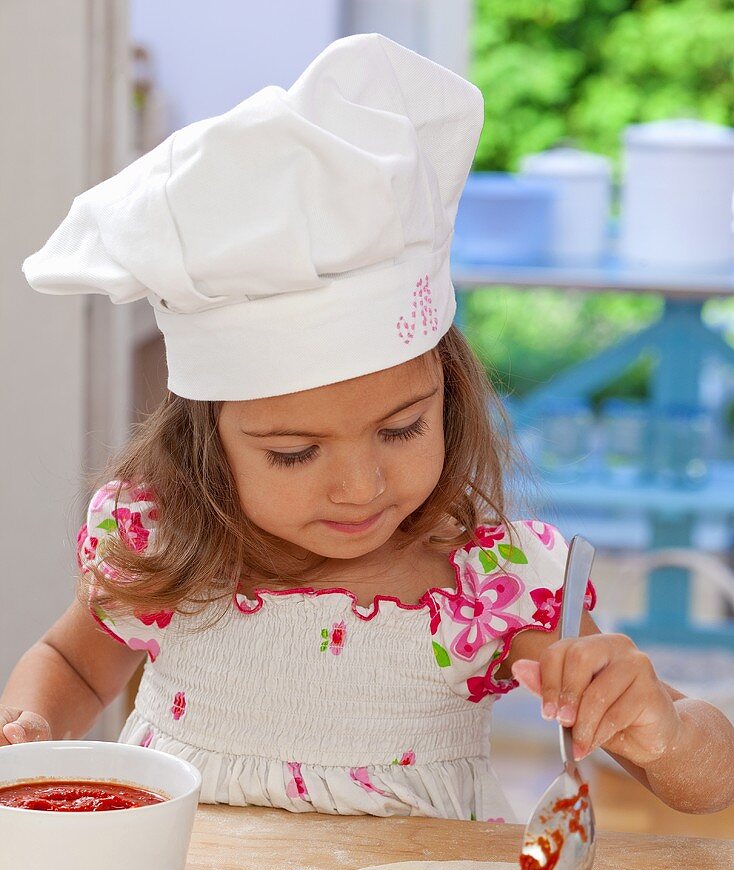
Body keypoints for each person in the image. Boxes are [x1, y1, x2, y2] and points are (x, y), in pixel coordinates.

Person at [3, 34, 733, 821]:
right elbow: (74, 667)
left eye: (401, 430)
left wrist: (658, 726)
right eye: (294, 452)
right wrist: (32, 735)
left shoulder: (496, 588)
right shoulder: (162, 547)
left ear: (447, 397)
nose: (360, 486)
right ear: (206, 448)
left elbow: (705, 782)